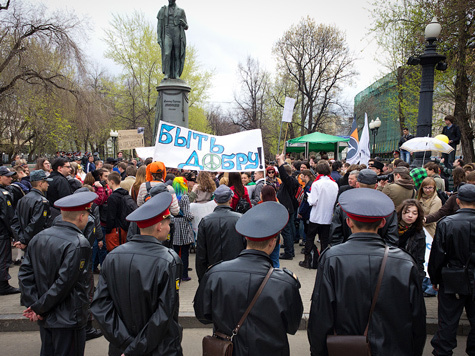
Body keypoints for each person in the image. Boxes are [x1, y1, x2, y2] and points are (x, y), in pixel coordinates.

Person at [307, 188, 426, 356]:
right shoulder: (404, 262)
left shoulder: (332, 258)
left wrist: (318, 350)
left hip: (345, 347)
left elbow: (321, 313)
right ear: (383, 223)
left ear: (348, 222)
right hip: (393, 348)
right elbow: (418, 317)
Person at [194, 201, 303, 356]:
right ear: (274, 242)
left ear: (245, 238)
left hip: (228, 349)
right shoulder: (285, 282)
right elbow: (292, 325)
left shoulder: (215, 273)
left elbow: (202, 315)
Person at [91, 192, 184, 356]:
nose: (170, 228)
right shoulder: (169, 260)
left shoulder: (113, 256)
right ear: (159, 226)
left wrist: (127, 343)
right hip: (158, 349)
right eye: (168, 223)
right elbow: (165, 313)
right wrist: (135, 348)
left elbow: (100, 305)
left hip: (121, 347)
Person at [18, 192, 97, 356]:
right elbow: (64, 283)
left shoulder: (39, 237)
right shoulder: (79, 243)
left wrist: (35, 304)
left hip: (47, 316)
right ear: (81, 216)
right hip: (68, 317)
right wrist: (38, 307)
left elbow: (25, 274)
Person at [428, 184, 475, 355]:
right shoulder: (447, 223)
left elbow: (437, 255)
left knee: (447, 321)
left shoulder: (446, 223)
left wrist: (435, 278)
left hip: (451, 277)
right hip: (464, 276)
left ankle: (443, 351)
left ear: (458, 201)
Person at [329, 169, 398, 248]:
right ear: (375, 186)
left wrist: (343, 252)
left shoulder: (343, 206)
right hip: (379, 256)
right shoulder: (387, 208)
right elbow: (392, 240)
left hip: (348, 254)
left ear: (357, 184)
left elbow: (335, 236)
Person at [196, 184, 245, 281]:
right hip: (237, 272)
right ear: (230, 199)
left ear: (215, 200)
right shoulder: (240, 219)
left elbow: (201, 253)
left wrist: (202, 278)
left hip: (214, 272)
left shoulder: (206, 221)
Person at [12, 170, 53, 250]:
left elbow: (15, 222)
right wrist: (24, 241)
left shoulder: (23, 199)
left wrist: (20, 239)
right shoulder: (41, 201)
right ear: (40, 184)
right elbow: (36, 223)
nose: (48, 185)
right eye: (46, 182)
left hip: (27, 241)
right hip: (37, 242)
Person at [305, 161, 338, 257]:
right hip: (327, 216)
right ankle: (323, 259)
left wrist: (308, 197)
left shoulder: (316, 184)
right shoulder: (334, 184)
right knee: (324, 241)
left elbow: (313, 201)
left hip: (316, 215)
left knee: (310, 238)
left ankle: (308, 259)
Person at [157, 0, 188, 79]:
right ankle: (167, 74)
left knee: (177, 55)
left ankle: (176, 74)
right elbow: (159, 25)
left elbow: (186, 26)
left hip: (177, 33)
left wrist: (183, 24)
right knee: (167, 53)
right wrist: (159, 37)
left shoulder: (181, 11)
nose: (169, 1)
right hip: (167, 33)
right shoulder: (163, 10)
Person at [396, 199, 426, 283]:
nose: (410, 215)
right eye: (407, 212)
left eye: (414, 213)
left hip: (408, 272)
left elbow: (420, 259)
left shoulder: (419, 233)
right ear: (401, 212)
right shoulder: (390, 229)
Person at [0, 166, 19, 295]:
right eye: (7, 176)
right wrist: (14, 233)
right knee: (3, 259)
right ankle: (3, 285)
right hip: (2, 233)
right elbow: (7, 216)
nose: (10, 179)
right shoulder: (3, 194)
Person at [172, 176, 194, 281]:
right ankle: (184, 274)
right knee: (185, 251)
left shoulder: (171, 196)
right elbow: (187, 214)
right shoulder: (184, 197)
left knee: (175, 250)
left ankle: (175, 274)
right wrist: (193, 217)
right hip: (183, 225)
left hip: (174, 224)